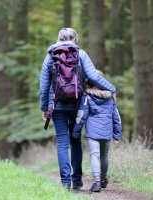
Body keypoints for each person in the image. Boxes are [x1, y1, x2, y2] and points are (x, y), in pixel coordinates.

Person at [39, 28, 116, 190]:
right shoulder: (81, 54)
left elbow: (44, 85)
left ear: (58, 39)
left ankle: (65, 182)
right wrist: (112, 89)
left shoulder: (50, 56)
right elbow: (94, 76)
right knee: (75, 141)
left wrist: (44, 107)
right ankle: (77, 181)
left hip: (57, 105)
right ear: (74, 38)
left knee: (61, 142)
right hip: (77, 104)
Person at [72, 70, 122, 192]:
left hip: (93, 132)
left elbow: (81, 115)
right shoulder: (110, 98)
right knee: (104, 156)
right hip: (107, 131)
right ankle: (104, 178)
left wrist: (76, 132)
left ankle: (97, 182)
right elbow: (116, 117)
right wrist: (117, 134)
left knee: (95, 155)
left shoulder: (87, 97)